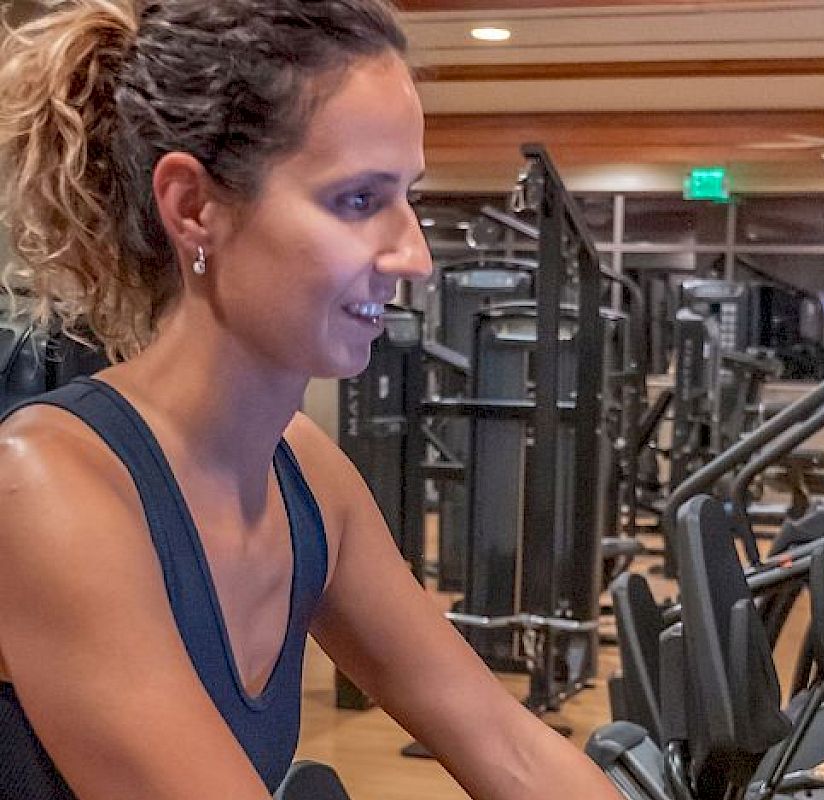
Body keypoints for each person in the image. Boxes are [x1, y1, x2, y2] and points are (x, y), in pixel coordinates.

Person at [0, 2, 625, 799]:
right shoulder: (47, 491)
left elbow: (512, 750)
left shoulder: (307, 479)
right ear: (193, 207)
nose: (415, 255)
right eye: (359, 201)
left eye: (410, 198)